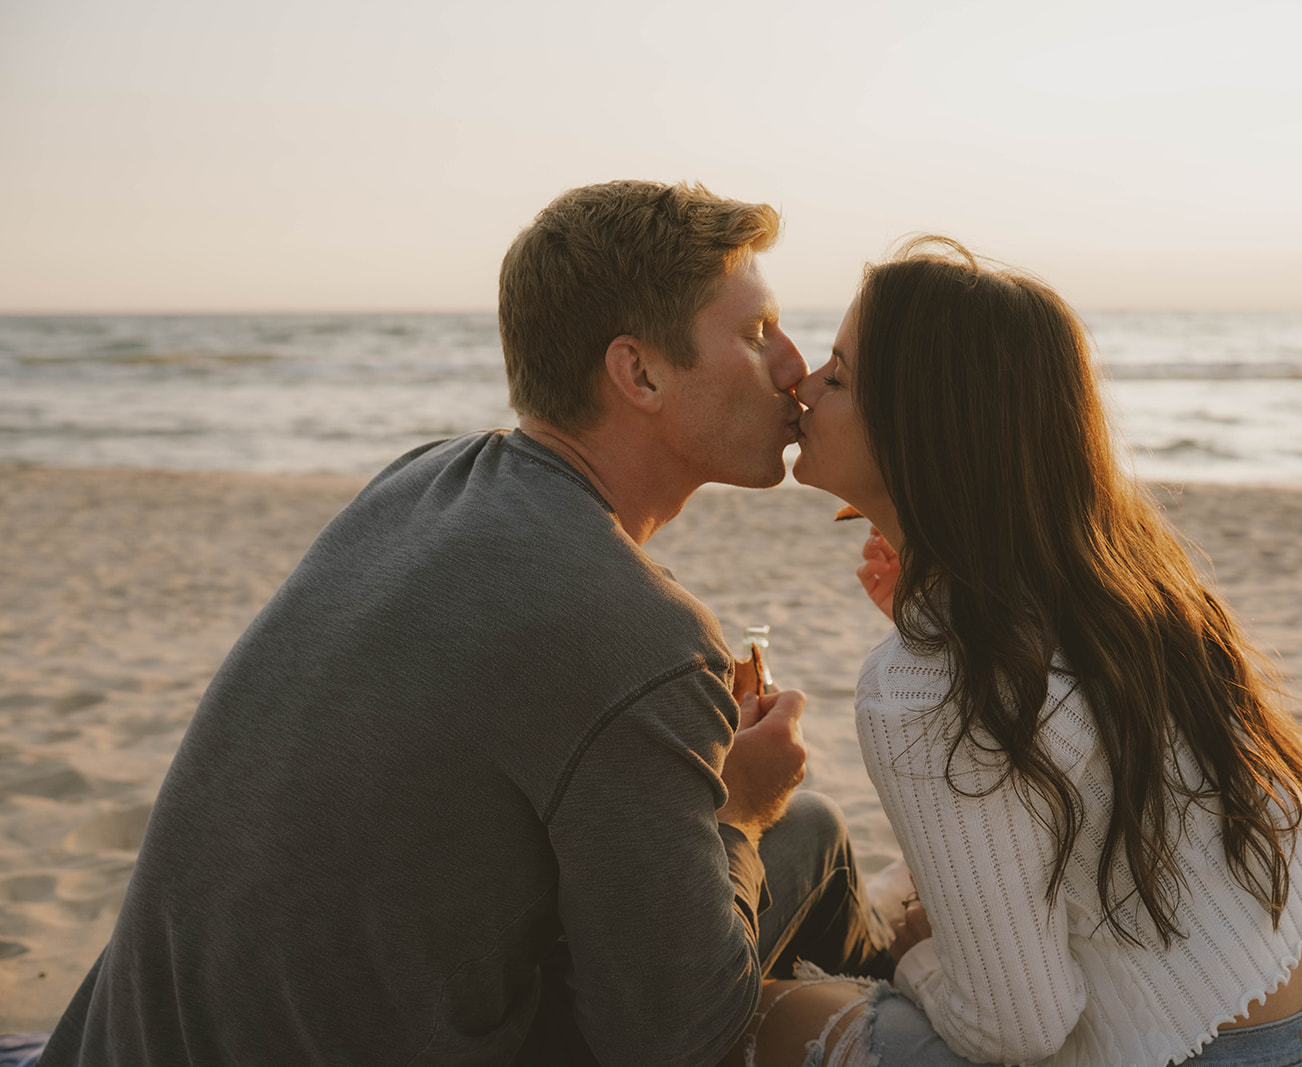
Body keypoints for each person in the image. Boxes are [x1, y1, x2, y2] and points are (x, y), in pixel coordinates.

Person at [36, 181, 893, 1067]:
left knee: (804, 835)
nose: (794, 365)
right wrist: (741, 812)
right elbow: (680, 1037)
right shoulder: (639, 631)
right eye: (757, 333)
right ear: (639, 374)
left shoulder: (416, 484)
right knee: (806, 831)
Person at [728, 238, 1302, 1067]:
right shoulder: (1116, 569)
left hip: (1237, 1052)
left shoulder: (917, 685)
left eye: (838, 376)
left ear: (923, 428)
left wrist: (918, 958)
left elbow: (1018, 1026)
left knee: (749, 1018)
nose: (803, 386)